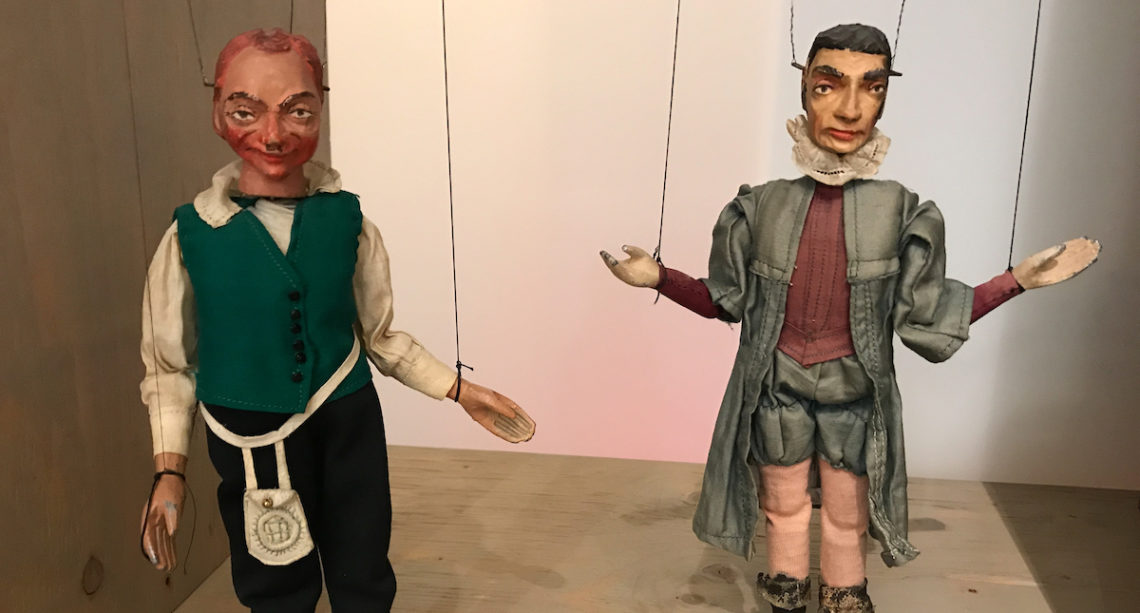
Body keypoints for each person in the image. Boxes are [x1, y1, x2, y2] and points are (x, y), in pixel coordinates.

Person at [602, 23, 1098, 613]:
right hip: (776, 391)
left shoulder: (902, 211)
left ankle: (845, 594)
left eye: (873, 87)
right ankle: (785, 591)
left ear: (885, 97)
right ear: (804, 90)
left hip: (854, 396)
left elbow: (928, 313)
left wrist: (1015, 280)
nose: (850, 108)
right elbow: (725, 300)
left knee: (846, 514)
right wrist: (660, 277)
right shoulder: (760, 206)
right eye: (828, 85)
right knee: (782, 506)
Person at [138, 28, 534, 612]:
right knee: (274, 568)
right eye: (246, 111)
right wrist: (169, 471)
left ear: (321, 110)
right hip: (249, 432)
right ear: (217, 114)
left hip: (346, 414)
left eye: (297, 111)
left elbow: (381, 336)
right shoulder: (191, 235)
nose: (273, 135)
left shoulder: (349, 221)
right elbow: (168, 365)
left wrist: (458, 389)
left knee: (361, 550)